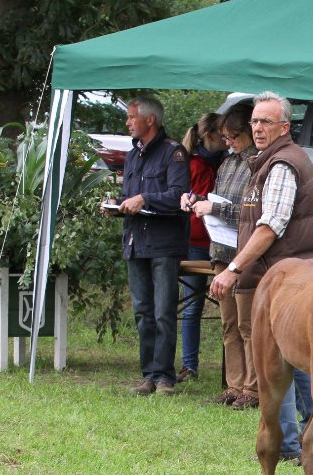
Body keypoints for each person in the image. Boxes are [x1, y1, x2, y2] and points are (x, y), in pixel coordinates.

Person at [208, 91, 313, 463]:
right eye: (255, 121)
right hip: (283, 276)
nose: (257, 128)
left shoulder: (283, 164)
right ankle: (304, 438)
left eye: (265, 122)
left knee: (284, 363)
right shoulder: (264, 162)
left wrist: (233, 268)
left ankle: (293, 445)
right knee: (294, 362)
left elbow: (271, 226)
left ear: (284, 127)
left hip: (287, 279)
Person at [103, 95, 190, 396]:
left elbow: (181, 196)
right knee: (142, 311)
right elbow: (130, 195)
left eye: (131, 117)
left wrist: (146, 199)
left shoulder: (173, 153)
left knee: (164, 310)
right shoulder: (131, 156)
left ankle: (165, 377)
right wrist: (115, 204)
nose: (127, 123)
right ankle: (148, 375)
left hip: (164, 244)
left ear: (149, 120)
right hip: (135, 241)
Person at [183, 104, 253, 406]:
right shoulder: (227, 163)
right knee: (229, 323)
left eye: (233, 137)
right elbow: (218, 199)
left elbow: (254, 214)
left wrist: (216, 208)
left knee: (248, 324)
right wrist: (198, 200)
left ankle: (253, 389)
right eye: (225, 138)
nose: (228, 143)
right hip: (221, 250)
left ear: (248, 133)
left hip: (246, 254)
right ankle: (234, 385)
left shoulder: (258, 164)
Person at [176, 113, 227, 383]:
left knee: (229, 308)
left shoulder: (227, 162)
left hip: (223, 242)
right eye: (222, 134)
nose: (227, 139)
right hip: (197, 241)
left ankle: (232, 371)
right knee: (193, 305)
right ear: (208, 136)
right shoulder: (193, 164)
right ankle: (189, 364)